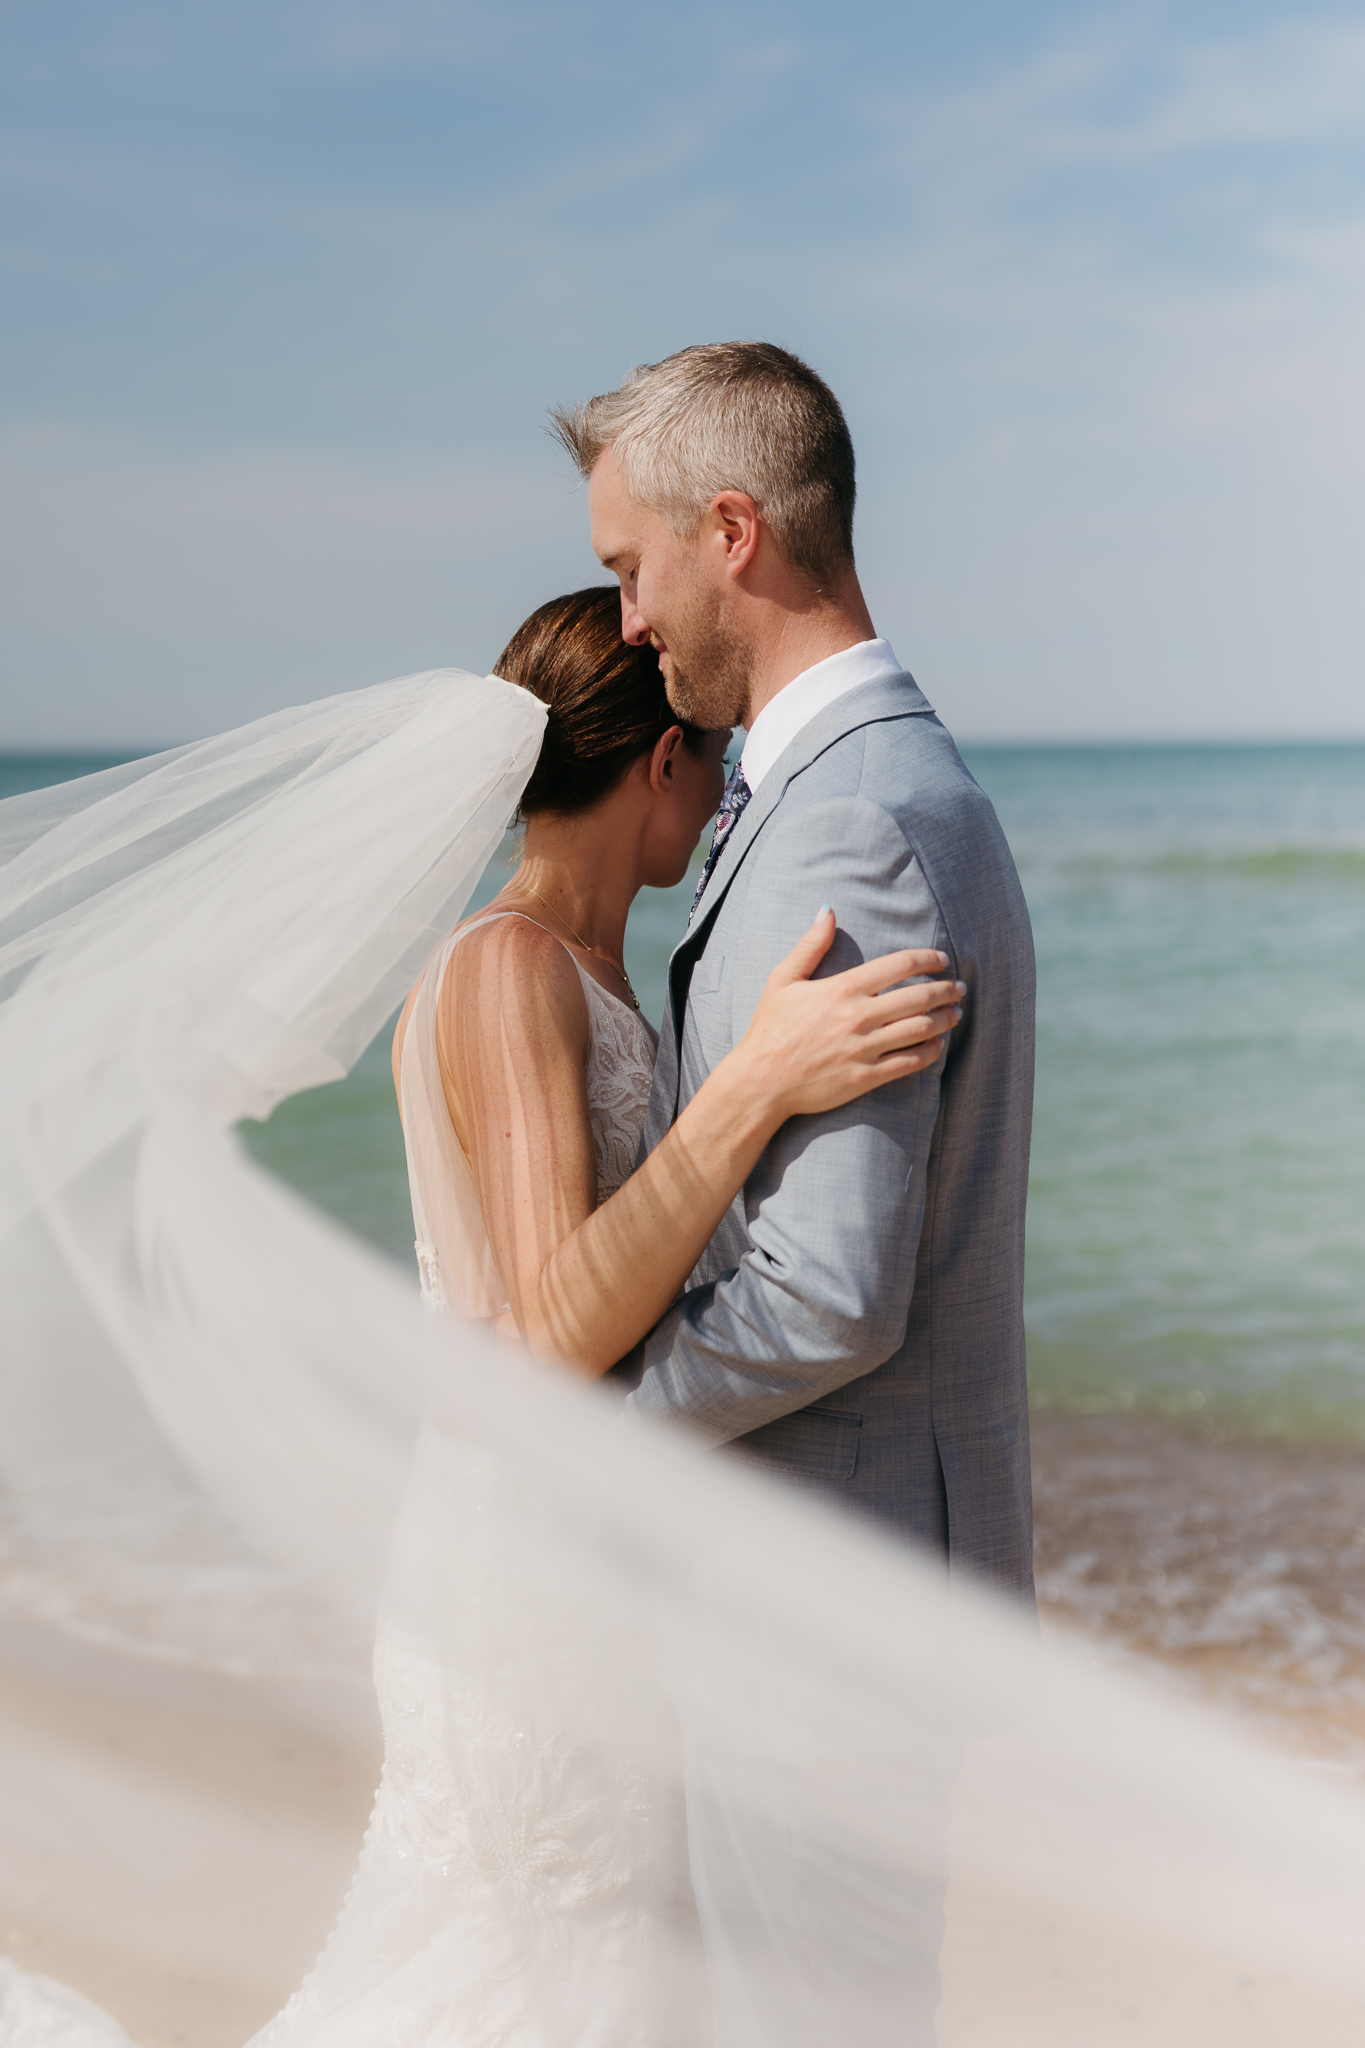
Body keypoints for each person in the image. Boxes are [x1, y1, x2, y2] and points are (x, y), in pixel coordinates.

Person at [552, 339, 1038, 2040]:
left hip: (825, 1622)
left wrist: (583, 1430)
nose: (625, 622)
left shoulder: (853, 824)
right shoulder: (863, 782)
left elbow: (829, 1292)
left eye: (631, 568)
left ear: (732, 533)